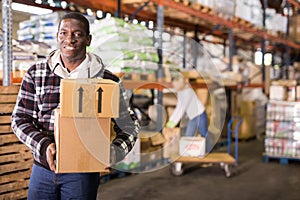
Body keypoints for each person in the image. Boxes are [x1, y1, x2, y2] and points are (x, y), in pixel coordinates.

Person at [11, 12, 139, 200]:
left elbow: (130, 125)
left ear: (88, 40)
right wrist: (44, 145)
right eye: (63, 33)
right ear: (57, 37)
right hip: (42, 171)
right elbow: (19, 119)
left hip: (82, 174)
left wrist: (116, 151)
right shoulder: (36, 74)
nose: (69, 40)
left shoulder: (106, 80)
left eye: (77, 34)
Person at [166, 72, 208, 139]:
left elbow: (181, 108)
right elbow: (179, 106)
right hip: (193, 117)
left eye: (175, 84)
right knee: (188, 136)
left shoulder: (188, 92)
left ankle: (208, 149)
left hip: (200, 115)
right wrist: (171, 121)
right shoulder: (180, 92)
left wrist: (173, 122)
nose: (174, 87)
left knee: (204, 134)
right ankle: (189, 149)